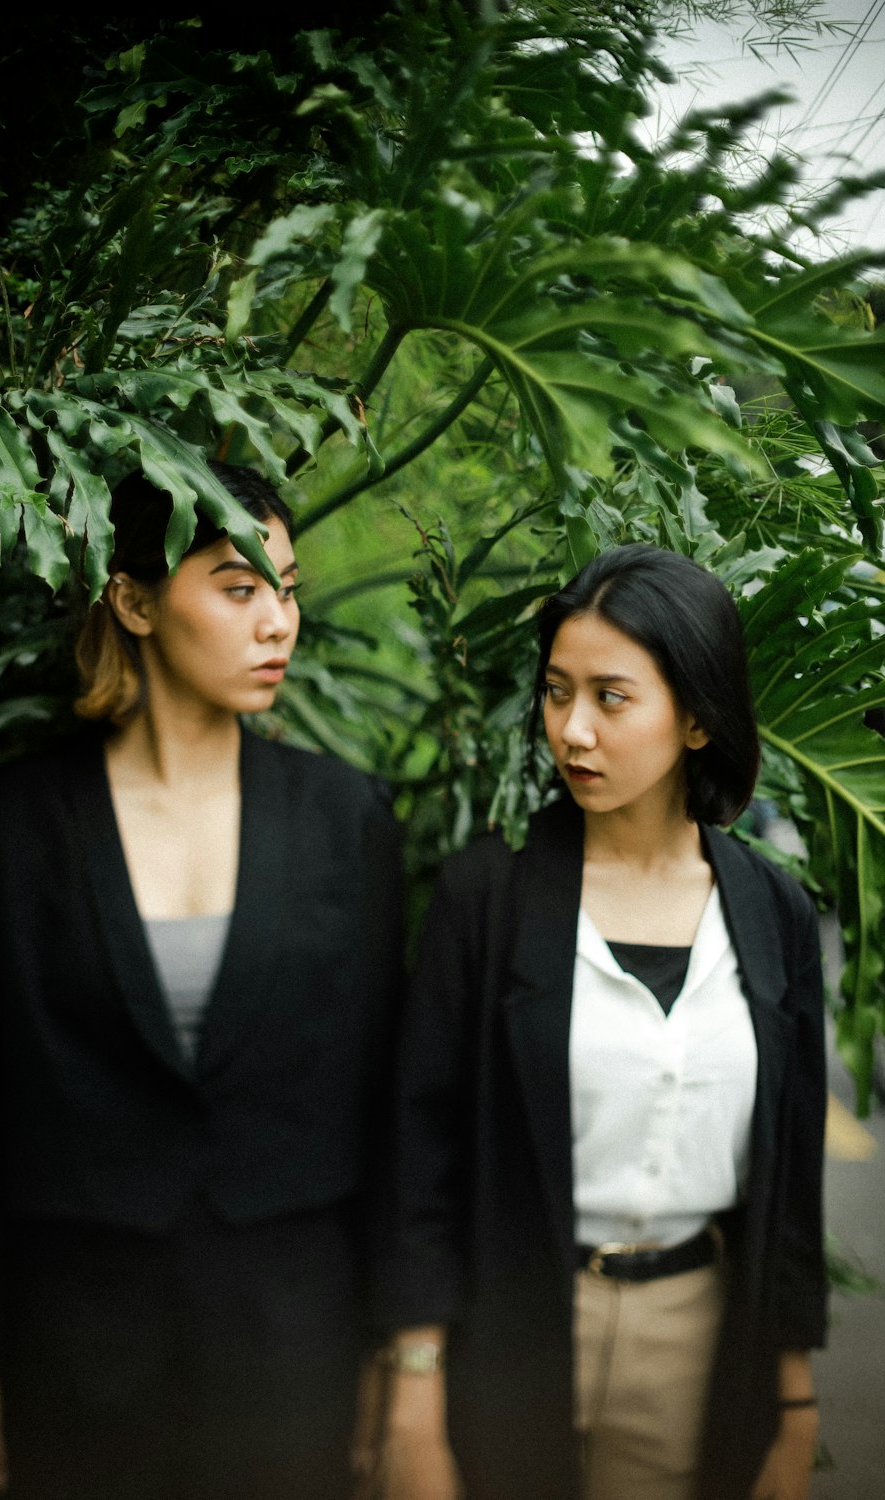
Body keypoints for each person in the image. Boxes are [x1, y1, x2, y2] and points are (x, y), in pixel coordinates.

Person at [0, 462, 404, 1500]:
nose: (278, 622)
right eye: (238, 589)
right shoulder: (10, 828)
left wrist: (394, 1354)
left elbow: (381, 1101)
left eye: (288, 591)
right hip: (75, 1349)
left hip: (294, 1345)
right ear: (135, 600)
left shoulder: (344, 819)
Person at [376, 544, 827, 1500]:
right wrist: (413, 1399)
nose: (572, 729)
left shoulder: (771, 914)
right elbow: (422, 1161)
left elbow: (791, 1181)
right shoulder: (486, 898)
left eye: (611, 698)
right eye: (555, 692)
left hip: (696, 1336)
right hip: (513, 1321)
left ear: (697, 717)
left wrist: (792, 1405)